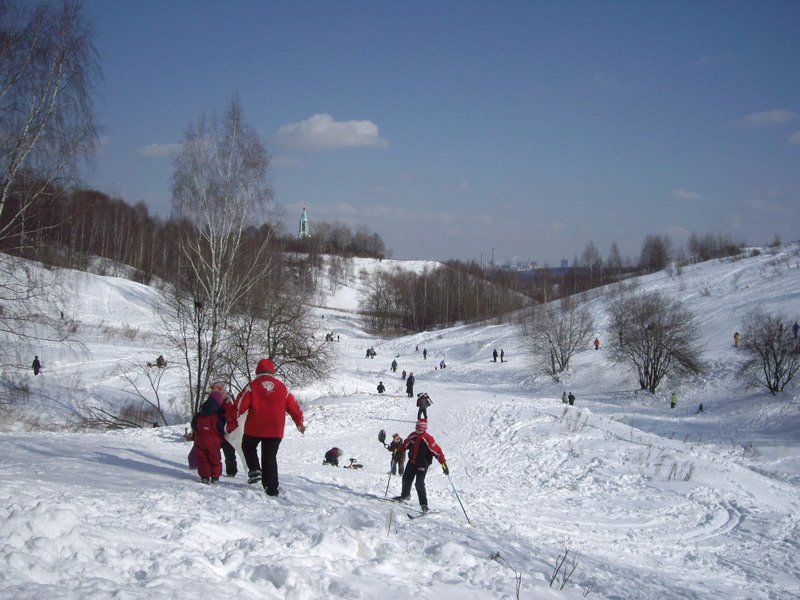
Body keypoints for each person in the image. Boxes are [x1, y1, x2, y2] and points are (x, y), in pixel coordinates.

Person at [231, 358, 305, 497]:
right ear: (272, 371)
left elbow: (240, 405)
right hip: (275, 429)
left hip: (255, 427)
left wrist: (232, 419)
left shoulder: (252, 386)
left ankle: (254, 470)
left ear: (257, 371)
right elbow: (293, 407)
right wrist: (299, 422)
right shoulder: (282, 387)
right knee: (269, 457)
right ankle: (271, 489)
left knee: (247, 446)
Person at [393, 419, 448, 513]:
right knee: (406, 478)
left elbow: (437, 451)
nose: (417, 430)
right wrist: (397, 451)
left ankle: (424, 504)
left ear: (423, 429)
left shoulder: (428, 439)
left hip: (422, 464)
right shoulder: (413, 436)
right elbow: (405, 444)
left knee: (419, 483)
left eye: (419, 429)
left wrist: (443, 463)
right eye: (416, 428)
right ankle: (405, 495)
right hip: (412, 462)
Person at [190, 390, 227, 484]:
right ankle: (215, 477)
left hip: (200, 440)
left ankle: (205, 477)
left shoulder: (200, 414)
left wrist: (197, 434)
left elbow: (194, 425)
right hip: (214, 441)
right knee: (215, 459)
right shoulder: (219, 416)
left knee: (202, 459)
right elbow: (222, 428)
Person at [211, 382, 238, 477]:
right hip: (217, 431)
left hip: (225, 430)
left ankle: (231, 472)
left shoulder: (227, 400)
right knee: (214, 453)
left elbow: (230, 414)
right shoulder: (213, 401)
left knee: (229, 454)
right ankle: (213, 470)